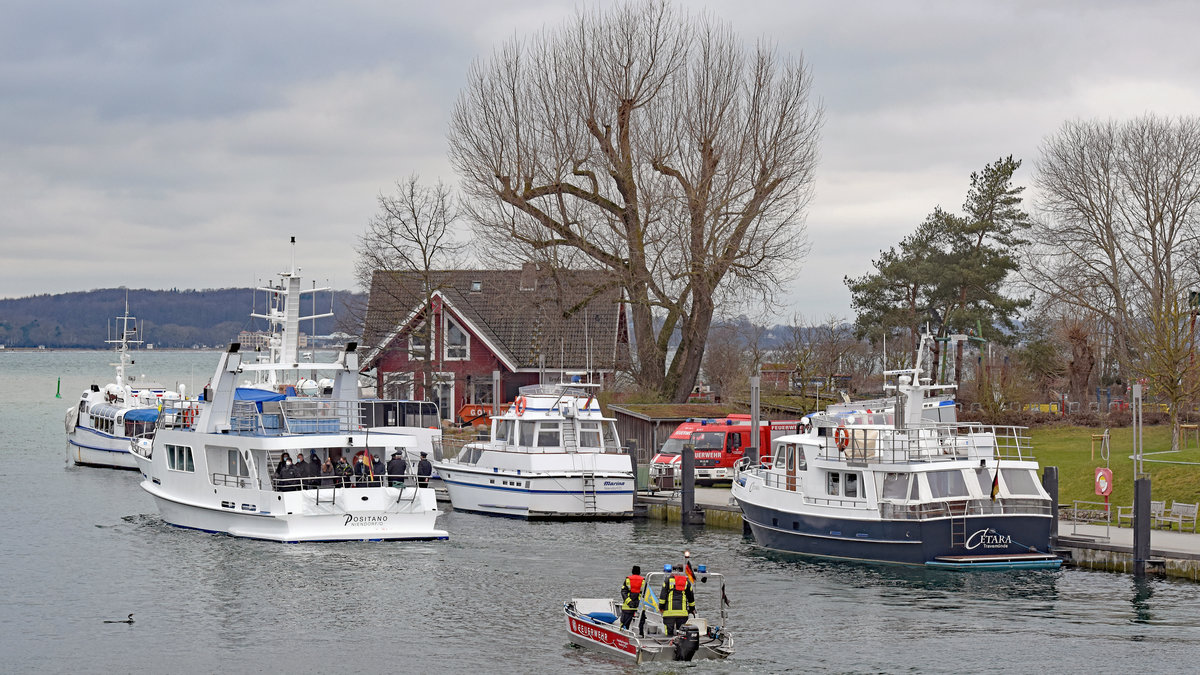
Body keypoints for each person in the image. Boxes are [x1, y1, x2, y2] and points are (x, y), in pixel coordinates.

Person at [657, 564, 694, 637]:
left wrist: (661, 608)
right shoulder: (687, 582)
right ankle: (682, 647)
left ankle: (668, 646)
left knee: (668, 635)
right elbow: (691, 598)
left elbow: (662, 597)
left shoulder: (667, 580)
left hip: (669, 613)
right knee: (682, 634)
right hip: (682, 614)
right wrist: (692, 609)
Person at [619, 565, 645, 631]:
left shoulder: (628, 579)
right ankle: (641, 634)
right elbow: (645, 593)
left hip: (628, 606)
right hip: (639, 606)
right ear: (639, 572)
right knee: (641, 624)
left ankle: (623, 634)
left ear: (632, 571)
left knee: (624, 623)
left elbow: (623, 592)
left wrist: (629, 602)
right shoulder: (643, 580)